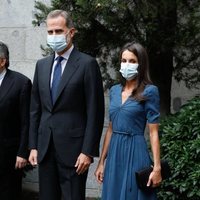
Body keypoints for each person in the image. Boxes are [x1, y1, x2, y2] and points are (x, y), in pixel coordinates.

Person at [28, 9, 105, 200]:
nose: (54, 36)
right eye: (50, 32)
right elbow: (35, 109)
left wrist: (87, 151)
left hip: (74, 152)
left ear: (71, 32)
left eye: (59, 31)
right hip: (45, 149)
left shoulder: (87, 65)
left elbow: (95, 112)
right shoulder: (42, 65)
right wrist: (33, 146)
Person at [95, 42, 162, 200]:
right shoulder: (114, 91)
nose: (126, 65)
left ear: (141, 64)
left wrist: (157, 167)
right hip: (114, 155)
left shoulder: (150, 91)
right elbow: (111, 129)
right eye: (124, 61)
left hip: (135, 151)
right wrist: (101, 162)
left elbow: (153, 133)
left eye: (132, 61)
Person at [0, 41, 32, 200]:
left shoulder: (21, 83)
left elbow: (27, 121)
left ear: (2, 61)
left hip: (9, 154)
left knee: (9, 193)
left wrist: (22, 152)